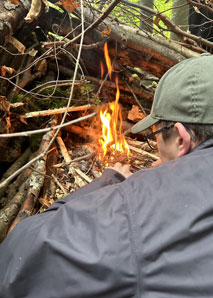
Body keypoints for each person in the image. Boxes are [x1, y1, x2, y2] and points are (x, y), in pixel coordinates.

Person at [1, 54, 213, 298]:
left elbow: (18, 257)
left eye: (154, 133)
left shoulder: (137, 216)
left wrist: (110, 181)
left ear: (180, 138)